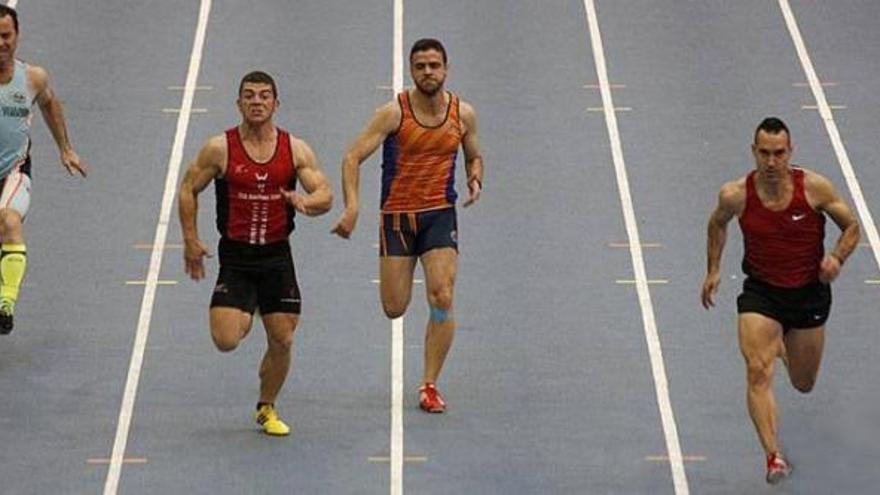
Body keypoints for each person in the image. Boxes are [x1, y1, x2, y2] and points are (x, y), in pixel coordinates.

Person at [701, 117, 860, 484]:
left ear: (791, 152)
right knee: (757, 369)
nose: (771, 162)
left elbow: (852, 226)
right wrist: (713, 270)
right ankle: (773, 456)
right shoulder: (736, 194)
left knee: (804, 383)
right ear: (753, 152)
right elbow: (717, 224)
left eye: (779, 153)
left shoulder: (815, 188)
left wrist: (836, 258)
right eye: (764, 154)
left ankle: (785, 348)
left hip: (808, 294)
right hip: (762, 292)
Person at [332, 38, 483, 413]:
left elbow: (474, 154)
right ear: (411, 71)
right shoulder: (393, 113)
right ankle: (411, 298)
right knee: (394, 307)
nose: (428, 72)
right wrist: (353, 206)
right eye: (420, 66)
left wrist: (475, 177)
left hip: (439, 214)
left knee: (442, 296)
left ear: (446, 69)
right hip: (397, 218)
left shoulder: (463, 114)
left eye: (434, 65)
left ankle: (429, 384)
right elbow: (352, 156)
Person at [178, 71, 332, 436]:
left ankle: (266, 406)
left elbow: (325, 193)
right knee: (227, 339)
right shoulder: (220, 148)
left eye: (265, 96)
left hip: (277, 258)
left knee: (283, 339)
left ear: (276, 104)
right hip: (236, 258)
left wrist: (305, 202)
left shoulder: (295, 149)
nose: (257, 101)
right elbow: (188, 188)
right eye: (249, 95)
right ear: (239, 104)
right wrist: (190, 240)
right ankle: (248, 308)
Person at [0, 5, 87, 334]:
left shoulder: (33, 77)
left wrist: (65, 147)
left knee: (9, 220)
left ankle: (5, 304)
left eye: (6, 36)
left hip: (14, 171)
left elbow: (49, 102)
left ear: (17, 36)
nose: (1, 43)